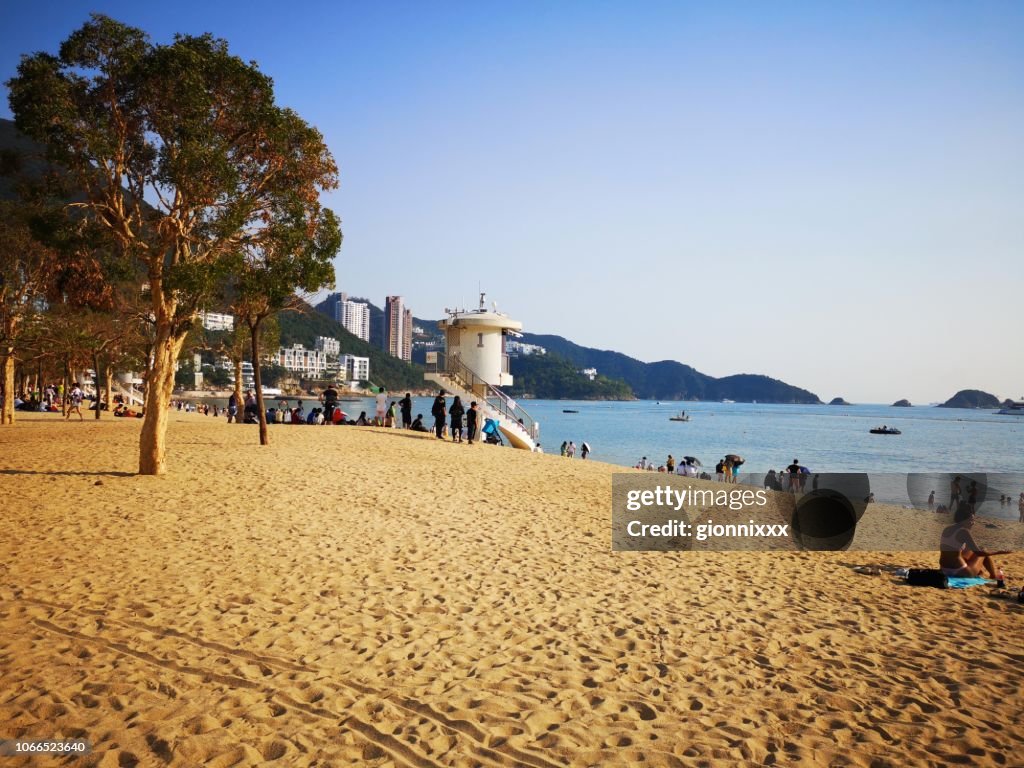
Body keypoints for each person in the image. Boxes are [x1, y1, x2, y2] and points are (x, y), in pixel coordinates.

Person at [939, 505, 1009, 578]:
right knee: (983, 549)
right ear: (964, 520)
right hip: (960, 571)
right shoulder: (964, 531)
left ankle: (980, 571)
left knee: (968, 550)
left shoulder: (947, 529)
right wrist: (1000, 552)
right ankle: (993, 576)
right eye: (971, 520)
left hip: (944, 569)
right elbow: (979, 553)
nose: (973, 523)